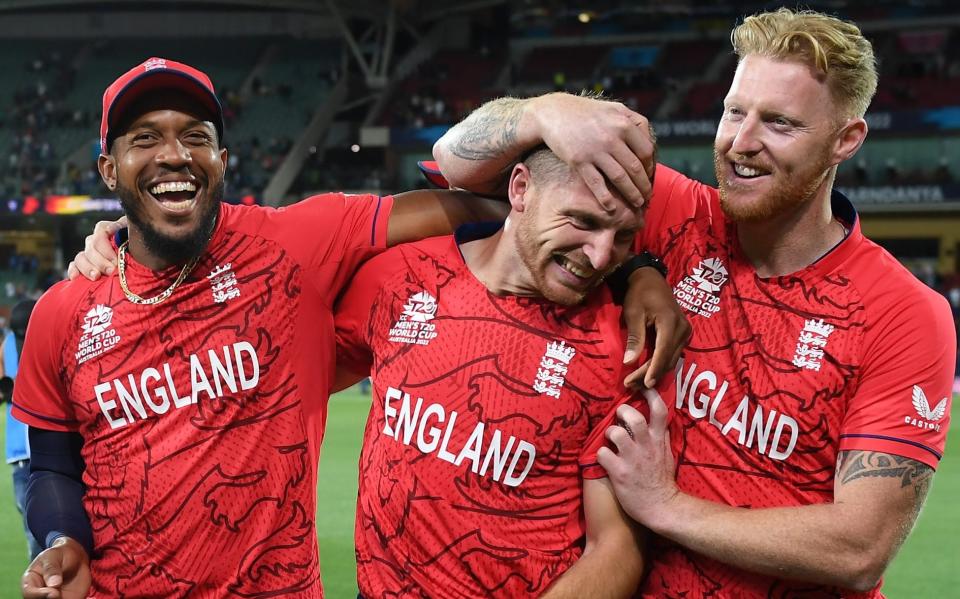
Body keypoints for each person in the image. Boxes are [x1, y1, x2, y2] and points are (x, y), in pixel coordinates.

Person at [14, 57, 683, 598]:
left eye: (196, 136)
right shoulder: (63, 310)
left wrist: (631, 267)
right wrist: (59, 538)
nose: (173, 154)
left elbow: (473, 207)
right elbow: (49, 464)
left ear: (222, 160)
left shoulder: (295, 244)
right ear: (107, 169)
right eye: (144, 138)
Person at [431, 8, 955, 597]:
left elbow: (859, 546)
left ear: (846, 140)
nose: (741, 142)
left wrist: (665, 506)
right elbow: (455, 162)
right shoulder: (672, 214)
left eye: (779, 123)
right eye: (734, 111)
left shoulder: (903, 313)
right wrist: (541, 112)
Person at [334, 147, 644, 597]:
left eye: (623, 237)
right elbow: (299, 380)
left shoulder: (620, 347)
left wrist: (643, 271)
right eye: (583, 221)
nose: (600, 257)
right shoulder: (400, 276)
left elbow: (618, 547)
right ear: (519, 190)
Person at [1, 299, 43, 561]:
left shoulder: (45, 341)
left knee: (41, 525)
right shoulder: (6, 348)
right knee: (32, 526)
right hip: (22, 454)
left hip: (45, 450)